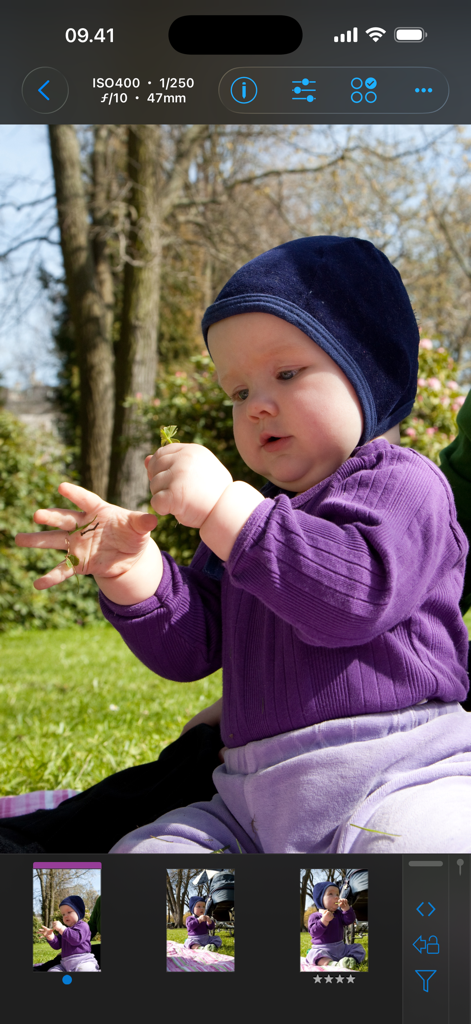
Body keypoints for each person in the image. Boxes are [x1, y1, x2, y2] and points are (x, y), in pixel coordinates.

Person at [15, 236, 471, 854]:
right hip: (256, 798)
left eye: (286, 373)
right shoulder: (252, 515)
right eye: (238, 392)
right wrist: (135, 573)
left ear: (367, 371)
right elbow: (196, 646)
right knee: (144, 860)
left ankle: (350, 903)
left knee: (416, 848)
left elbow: (354, 598)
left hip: (399, 772)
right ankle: (301, 907)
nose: (257, 407)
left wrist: (228, 510)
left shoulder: (404, 485)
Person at [305, 881, 365, 969]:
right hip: (323, 949)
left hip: (341, 948)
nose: (336, 897)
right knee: (313, 954)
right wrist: (323, 921)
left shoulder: (339, 914)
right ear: (320, 899)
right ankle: (332, 964)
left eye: (337, 894)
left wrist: (346, 909)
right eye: (330, 894)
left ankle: (350, 960)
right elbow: (314, 933)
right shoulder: (315, 916)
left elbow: (349, 921)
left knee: (358, 947)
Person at [38, 896, 100, 972]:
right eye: (63, 914)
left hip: (83, 960)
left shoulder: (83, 926)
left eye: (69, 912)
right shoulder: (65, 930)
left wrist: (61, 928)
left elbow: (76, 939)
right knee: (52, 970)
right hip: (65, 963)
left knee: (84, 969)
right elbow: (57, 945)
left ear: (78, 912)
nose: (65, 916)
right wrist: (51, 937)